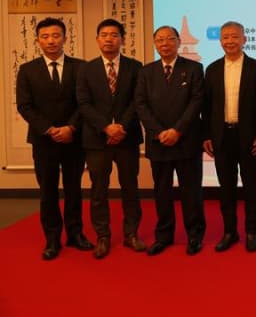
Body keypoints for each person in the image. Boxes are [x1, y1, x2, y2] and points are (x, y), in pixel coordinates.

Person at [16, 17, 93, 260]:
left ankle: (75, 233)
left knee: (73, 189)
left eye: (56, 35)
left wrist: (71, 127)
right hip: (43, 141)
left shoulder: (80, 67)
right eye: (45, 36)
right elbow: (24, 106)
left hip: (74, 139)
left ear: (65, 38)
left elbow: (85, 102)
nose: (51, 41)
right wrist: (49, 129)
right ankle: (51, 238)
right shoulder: (27, 70)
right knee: (47, 190)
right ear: (38, 40)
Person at [76, 18, 146, 258]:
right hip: (97, 140)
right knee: (98, 190)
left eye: (114, 35)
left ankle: (131, 234)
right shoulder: (86, 69)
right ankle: (102, 236)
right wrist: (106, 127)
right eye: (104, 35)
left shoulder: (136, 67)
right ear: (97, 40)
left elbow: (138, 101)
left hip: (127, 137)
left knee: (130, 187)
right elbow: (83, 103)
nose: (109, 39)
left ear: (122, 39)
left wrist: (121, 127)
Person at [135, 25, 206, 256]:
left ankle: (194, 235)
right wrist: (159, 132)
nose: (165, 44)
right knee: (162, 191)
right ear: (155, 44)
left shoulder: (194, 68)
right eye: (160, 40)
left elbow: (196, 101)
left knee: (191, 191)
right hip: (159, 142)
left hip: (186, 140)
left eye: (169, 39)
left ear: (178, 42)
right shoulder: (146, 72)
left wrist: (177, 130)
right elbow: (141, 105)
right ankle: (164, 235)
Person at [202, 21, 256, 253]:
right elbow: (206, 107)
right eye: (226, 37)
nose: (230, 41)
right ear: (220, 41)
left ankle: (251, 232)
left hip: (249, 137)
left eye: (235, 37)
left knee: (252, 187)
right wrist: (206, 135)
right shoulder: (212, 69)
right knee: (226, 188)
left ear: (244, 39)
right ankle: (230, 232)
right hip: (222, 136)